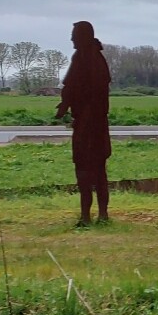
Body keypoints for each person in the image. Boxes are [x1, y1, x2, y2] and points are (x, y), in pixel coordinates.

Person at [55, 21, 112, 225]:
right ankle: (94, 214)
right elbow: (71, 87)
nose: (71, 38)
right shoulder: (86, 58)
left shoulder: (89, 59)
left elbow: (82, 89)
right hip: (91, 123)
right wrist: (65, 105)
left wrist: (69, 107)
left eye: (74, 34)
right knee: (94, 170)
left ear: (83, 36)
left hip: (91, 125)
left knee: (89, 170)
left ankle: (92, 215)